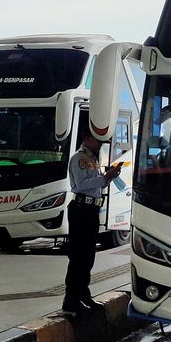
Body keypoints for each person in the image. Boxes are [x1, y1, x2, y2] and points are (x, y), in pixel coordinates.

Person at [61, 127, 121, 313]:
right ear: (87, 139)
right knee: (78, 256)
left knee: (88, 256)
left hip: (91, 209)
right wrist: (105, 178)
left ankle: (83, 295)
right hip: (81, 210)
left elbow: (97, 183)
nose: (100, 145)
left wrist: (108, 177)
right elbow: (82, 185)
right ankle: (71, 299)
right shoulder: (79, 159)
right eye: (97, 141)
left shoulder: (93, 159)